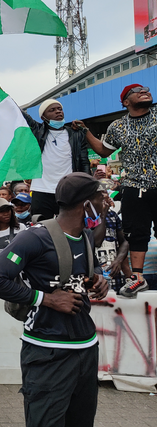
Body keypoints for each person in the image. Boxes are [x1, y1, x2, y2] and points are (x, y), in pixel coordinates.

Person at [0, 172, 108, 427]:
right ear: (86, 204)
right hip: (48, 350)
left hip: (86, 347)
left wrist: (97, 279)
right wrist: (46, 299)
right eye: (100, 197)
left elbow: (76, 274)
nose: (105, 201)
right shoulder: (35, 237)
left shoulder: (84, 235)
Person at [88, 84, 157, 294]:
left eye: (146, 89)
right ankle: (138, 278)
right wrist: (85, 132)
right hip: (134, 187)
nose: (144, 91)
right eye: (137, 91)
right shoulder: (117, 126)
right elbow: (102, 150)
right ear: (126, 102)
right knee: (136, 234)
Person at [21, 98, 91, 220]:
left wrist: (87, 187)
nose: (58, 112)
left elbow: (84, 162)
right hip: (42, 190)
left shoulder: (76, 134)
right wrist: (1, 93)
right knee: (41, 229)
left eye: (60, 109)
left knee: (71, 228)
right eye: (52, 110)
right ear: (43, 117)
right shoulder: (37, 131)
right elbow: (20, 114)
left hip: (68, 191)